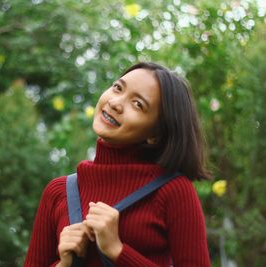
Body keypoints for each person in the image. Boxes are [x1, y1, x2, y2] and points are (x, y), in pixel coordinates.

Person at [24, 62, 212, 267]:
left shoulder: (174, 191)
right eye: (118, 88)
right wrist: (64, 264)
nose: (115, 103)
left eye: (138, 104)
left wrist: (117, 251)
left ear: (154, 135)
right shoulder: (58, 192)